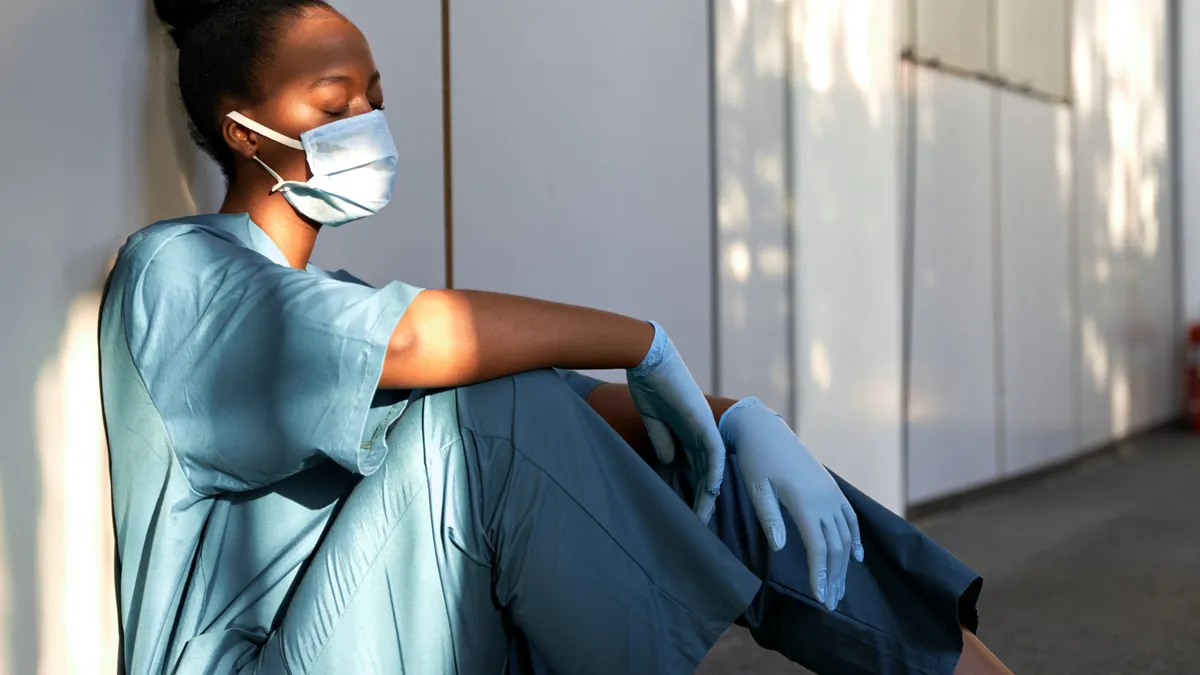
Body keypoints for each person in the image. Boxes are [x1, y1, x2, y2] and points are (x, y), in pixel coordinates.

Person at [98, 1, 1012, 673]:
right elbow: (425, 345)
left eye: (375, 99)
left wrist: (735, 419)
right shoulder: (181, 271)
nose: (367, 125)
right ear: (243, 133)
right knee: (492, 410)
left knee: (705, 457)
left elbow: (584, 419)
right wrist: (642, 340)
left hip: (410, 631)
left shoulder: (338, 299)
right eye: (335, 105)